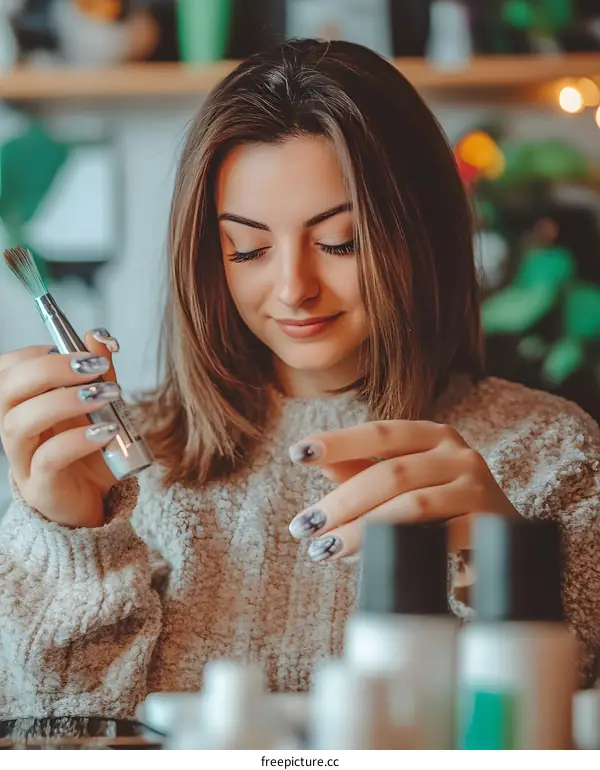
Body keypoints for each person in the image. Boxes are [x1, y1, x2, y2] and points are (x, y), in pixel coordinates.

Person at [0, 39, 598, 720]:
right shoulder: (123, 466)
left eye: (341, 241)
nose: (293, 288)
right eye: (248, 248)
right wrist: (72, 543)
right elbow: (54, 733)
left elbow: (554, 729)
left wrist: (507, 577)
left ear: (422, 231)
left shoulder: (550, 453)